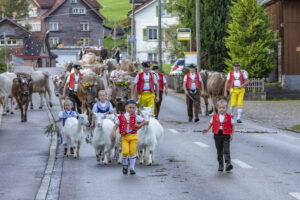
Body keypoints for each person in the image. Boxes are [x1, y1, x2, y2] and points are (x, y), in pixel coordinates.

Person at [112, 100, 148, 175]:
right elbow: (116, 126)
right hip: (124, 137)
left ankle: (132, 168)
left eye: (133, 108)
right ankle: (125, 165)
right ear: (126, 107)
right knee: (125, 152)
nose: (131, 109)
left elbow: (145, 121)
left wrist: (139, 125)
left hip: (133, 137)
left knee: (132, 152)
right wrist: (114, 132)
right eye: (130, 107)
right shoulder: (121, 117)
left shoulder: (136, 117)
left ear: (135, 109)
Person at [202, 99, 235, 172]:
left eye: (223, 108)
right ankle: (220, 164)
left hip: (226, 135)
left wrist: (232, 135)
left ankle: (228, 164)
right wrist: (206, 129)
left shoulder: (229, 117)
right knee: (219, 150)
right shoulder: (214, 116)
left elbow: (233, 126)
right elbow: (210, 123)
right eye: (220, 108)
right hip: (217, 135)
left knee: (226, 150)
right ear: (217, 108)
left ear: (226, 108)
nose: (222, 109)